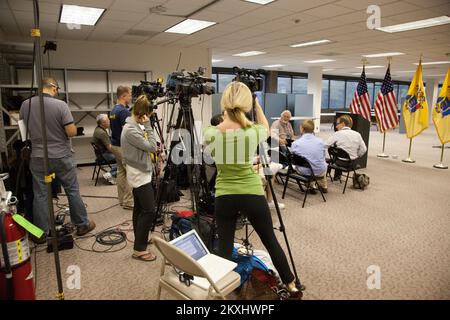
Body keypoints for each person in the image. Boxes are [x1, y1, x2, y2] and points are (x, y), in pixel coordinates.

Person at [203, 82, 300, 296]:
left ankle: (220, 288)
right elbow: (265, 126)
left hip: (225, 196)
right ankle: (291, 284)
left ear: (224, 104)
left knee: (225, 247)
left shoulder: (210, 132)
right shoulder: (253, 131)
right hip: (251, 193)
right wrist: (257, 105)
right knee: (270, 239)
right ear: (247, 105)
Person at [20, 77, 95, 241]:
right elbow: (71, 132)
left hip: (38, 156)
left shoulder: (26, 105)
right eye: (57, 89)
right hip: (61, 155)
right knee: (72, 189)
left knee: (40, 194)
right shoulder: (60, 105)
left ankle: (41, 232)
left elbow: (24, 130)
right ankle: (82, 224)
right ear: (53, 87)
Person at [121, 95, 157, 262]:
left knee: (140, 209)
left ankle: (140, 241)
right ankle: (139, 250)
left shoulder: (134, 126)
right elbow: (152, 147)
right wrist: (149, 126)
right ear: (144, 113)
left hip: (140, 171)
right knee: (149, 210)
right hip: (138, 174)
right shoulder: (131, 130)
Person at [110, 86, 134, 209]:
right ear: (123, 96)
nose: (131, 97)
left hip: (115, 144)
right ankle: (129, 202)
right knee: (130, 173)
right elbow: (128, 131)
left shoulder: (114, 110)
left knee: (121, 172)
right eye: (129, 95)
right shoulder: (124, 111)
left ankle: (122, 199)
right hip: (123, 146)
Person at [325, 115, 367, 180]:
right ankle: (337, 176)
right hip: (352, 163)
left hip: (339, 163)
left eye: (337, 124)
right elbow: (364, 149)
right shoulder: (357, 134)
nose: (336, 126)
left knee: (336, 152)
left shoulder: (338, 134)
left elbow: (325, 145)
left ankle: (336, 176)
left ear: (343, 124)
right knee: (340, 151)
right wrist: (356, 156)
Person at [291, 120, 328, 193]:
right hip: (320, 171)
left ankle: (310, 186)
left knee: (302, 165)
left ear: (302, 129)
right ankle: (323, 186)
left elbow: (293, 159)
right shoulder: (321, 141)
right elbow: (323, 156)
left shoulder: (296, 143)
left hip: (305, 173)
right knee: (322, 163)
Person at [91, 114, 117, 184]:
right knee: (125, 158)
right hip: (104, 155)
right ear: (103, 123)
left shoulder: (98, 129)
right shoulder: (102, 133)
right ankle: (111, 174)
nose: (109, 121)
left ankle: (112, 173)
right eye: (108, 120)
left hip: (100, 154)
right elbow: (109, 148)